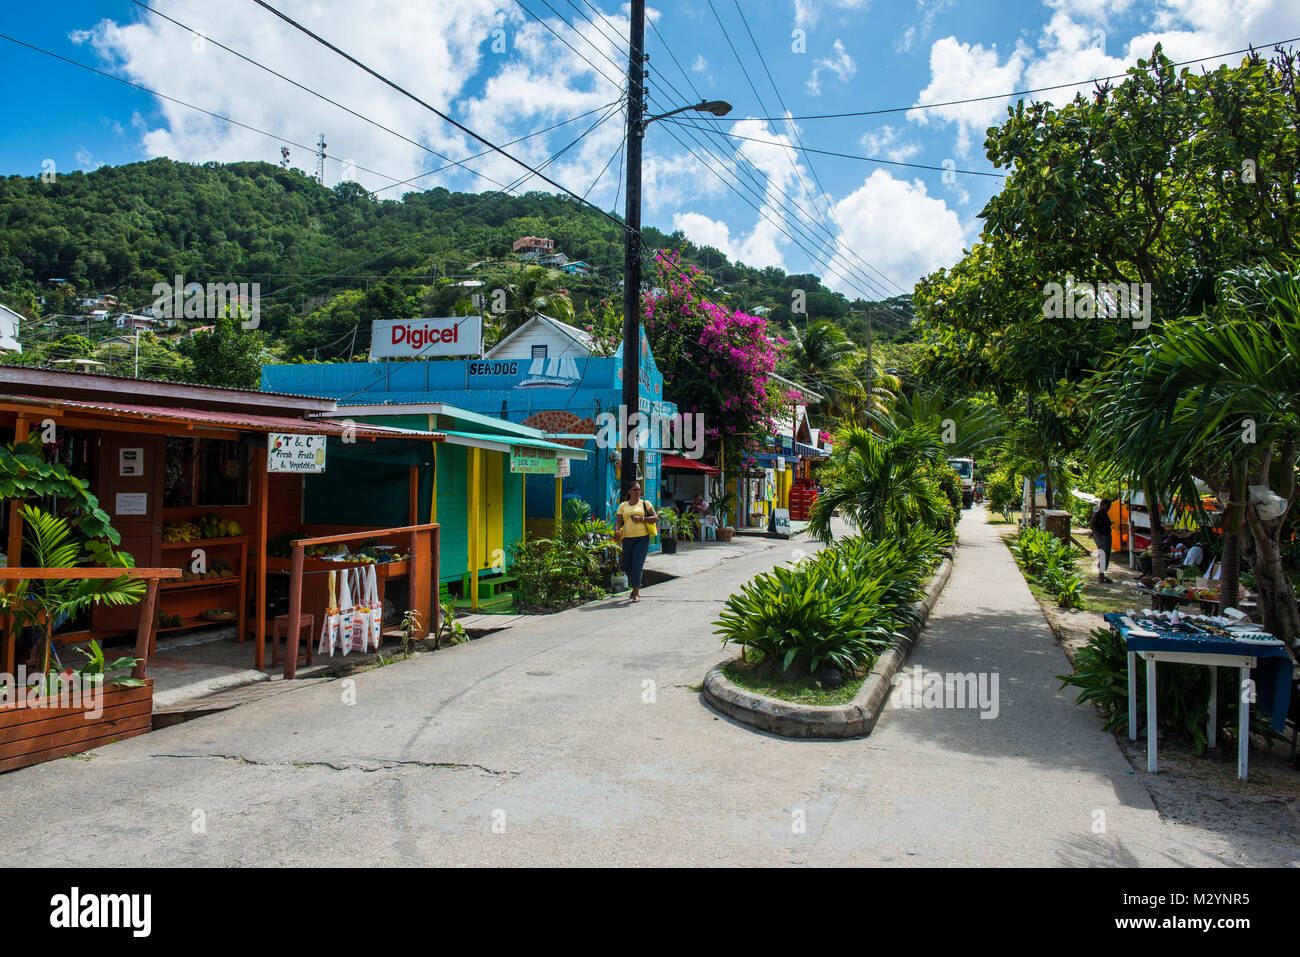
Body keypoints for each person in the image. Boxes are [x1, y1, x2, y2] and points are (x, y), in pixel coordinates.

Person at [615, 482, 657, 603]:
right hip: (627, 539)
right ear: (629, 491)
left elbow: (655, 517)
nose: (637, 492)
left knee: (637, 565)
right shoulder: (623, 505)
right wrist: (617, 530)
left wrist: (642, 519)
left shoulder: (645, 504)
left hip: (642, 539)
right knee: (626, 564)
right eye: (634, 489)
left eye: (639, 490)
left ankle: (636, 592)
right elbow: (619, 521)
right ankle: (635, 585)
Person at [1090, 497, 1114, 583]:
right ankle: (1100, 575)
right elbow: (1092, 525)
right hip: (1102, 536)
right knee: (1103, 554)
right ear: (1102, 505)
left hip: (1106, 535)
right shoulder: (1098, 513)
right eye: (1107, 506)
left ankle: (1102, 574)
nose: (1108, 508)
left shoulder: (1104, 513)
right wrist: (1098, 535)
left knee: (1107, 555)